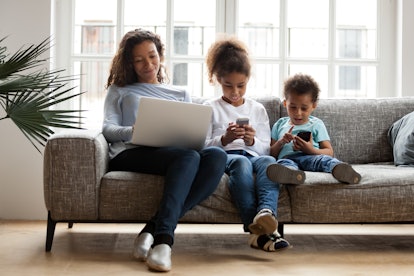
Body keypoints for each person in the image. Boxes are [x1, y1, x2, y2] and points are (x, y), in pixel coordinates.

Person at [102, 29, 227, 272]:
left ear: (160, 55)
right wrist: (132, 130)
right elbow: (107, 128)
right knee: (188, 156)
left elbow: (194, 135)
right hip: (130, 153)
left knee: (217, 156)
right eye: (138, 59)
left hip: (172, 153)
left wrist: (198, 138)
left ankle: (151, 228)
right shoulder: (119, 89)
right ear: (129, 62)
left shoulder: (180, 93)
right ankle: (163, 241)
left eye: (152, 56)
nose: (147, 64)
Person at [204, 36, 291, 252]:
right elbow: (203, 146)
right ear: (217, 80)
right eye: (228, 86)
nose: (235, 92)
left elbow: (265, 149)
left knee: (270, 162)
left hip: (254, 155)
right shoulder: (210, 108)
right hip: (229, 157)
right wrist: (225, 139)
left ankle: (266, 213)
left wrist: (252, 140)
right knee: (242, 164)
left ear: (248, 80)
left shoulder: (257, 109)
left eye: (241, 86)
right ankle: (258, 231)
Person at [267, 73, 361, 185]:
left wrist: (310, 150)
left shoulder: (316, 124)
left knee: (324, 160)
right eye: (293, 107)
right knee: (283, 164)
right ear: (285, 103)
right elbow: (271, 153)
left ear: (314, 105)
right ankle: (293, 175)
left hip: (311, 157)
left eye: (304, 108)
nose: (298, 113)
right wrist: (281, 142)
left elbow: (329, 152)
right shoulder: (279, 124)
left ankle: (341, 170)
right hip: (287, 159)